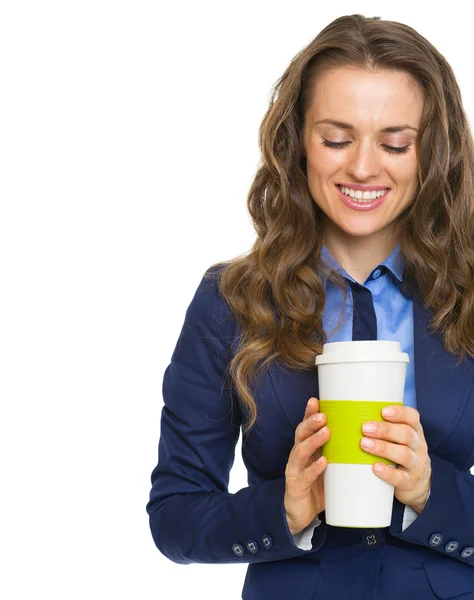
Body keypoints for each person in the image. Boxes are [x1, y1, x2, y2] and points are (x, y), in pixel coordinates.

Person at [146, 13, 474, 599]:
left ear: (432, 151)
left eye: (396, 142)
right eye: (337, 139)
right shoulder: (231, 302)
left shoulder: (469, 295)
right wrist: (287, 508)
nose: (364, 167)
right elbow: (175, 516)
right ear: (298, 140)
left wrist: (432, 494)